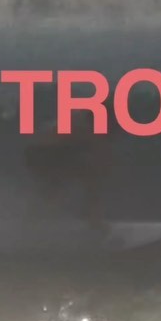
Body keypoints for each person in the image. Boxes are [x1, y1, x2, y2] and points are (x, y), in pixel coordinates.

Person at [23, 96, 119, 231]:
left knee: (55, 186)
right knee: (90, 176)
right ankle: (94, 222)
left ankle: (32, 219)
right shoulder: (91, 123)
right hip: (45, 151)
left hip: (39, 150)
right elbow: (100, 156)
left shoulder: (85, 117)